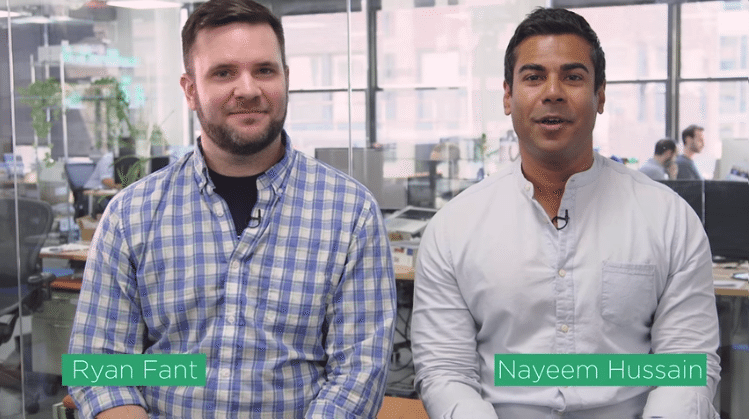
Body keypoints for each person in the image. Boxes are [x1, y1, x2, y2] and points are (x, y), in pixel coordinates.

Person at [67, 0, 396, 417]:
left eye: (265, 70)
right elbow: (99, 366)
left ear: (286, 79)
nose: (248, 89)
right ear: (191, 90)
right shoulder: (131, 215)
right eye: (223, 73)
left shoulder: (350, 213)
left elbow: (357, 375)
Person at [411, 7, 719, 419]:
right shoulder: (454, 228)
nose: (553, 92)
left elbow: (686, 363)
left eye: (573, 77)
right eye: (533, 77)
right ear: (507, 96)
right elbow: (446, 371)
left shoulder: (669, 220)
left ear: (600, 95)